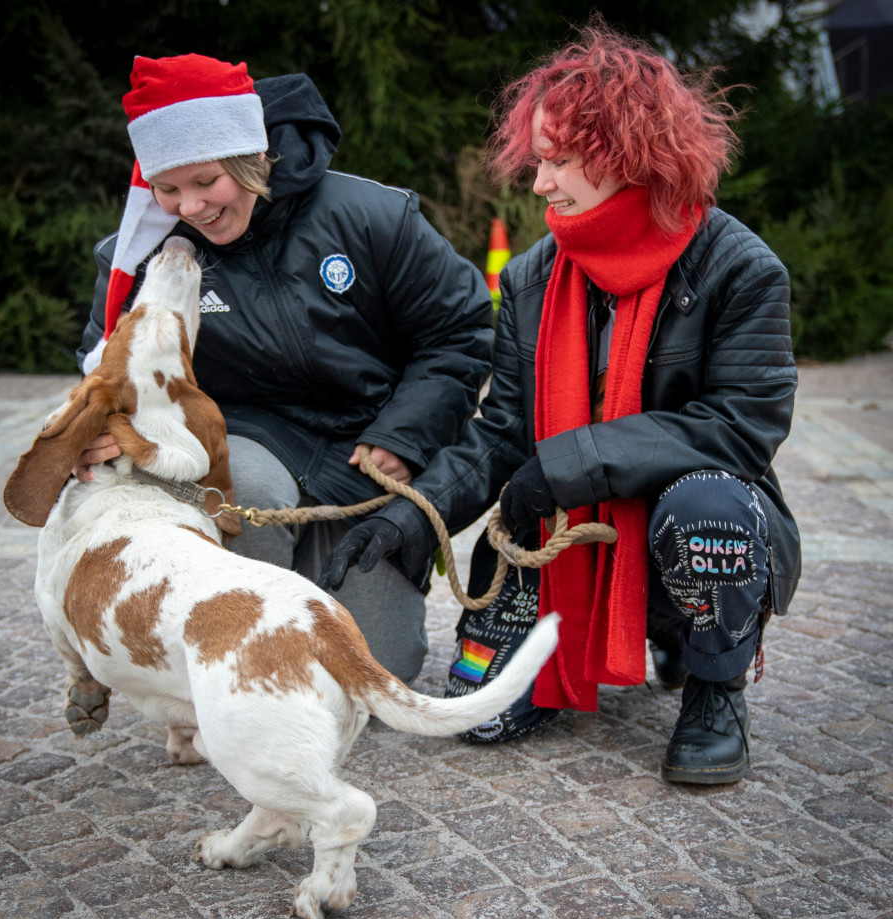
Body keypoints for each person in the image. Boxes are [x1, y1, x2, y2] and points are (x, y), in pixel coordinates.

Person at [321, 22, 802, 784]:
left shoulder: (740, 269)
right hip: (572, 536)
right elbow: (504, 429)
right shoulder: (534, 274)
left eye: (560, 162)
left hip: (696, 515)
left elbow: (739, 429)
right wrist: (417, 511)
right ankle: (603, 641)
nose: (540, 184)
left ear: (627, 154)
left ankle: (713, 681)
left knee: (705, 511)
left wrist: (572, 461)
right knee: (482, 713)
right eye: (539, 162)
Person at [75, 54, 494, 684]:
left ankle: (305, 592)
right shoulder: (143, 256)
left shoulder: (371, 215)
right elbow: (110, 366)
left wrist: (404, 435)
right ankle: (229, 665)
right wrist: (102, 430)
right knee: (251, 495)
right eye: (168, 188)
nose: (189, 206)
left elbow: (459, 332)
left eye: (206, 181)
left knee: (378, 671)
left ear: (251, 157)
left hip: (362, 451)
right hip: (245, 440)